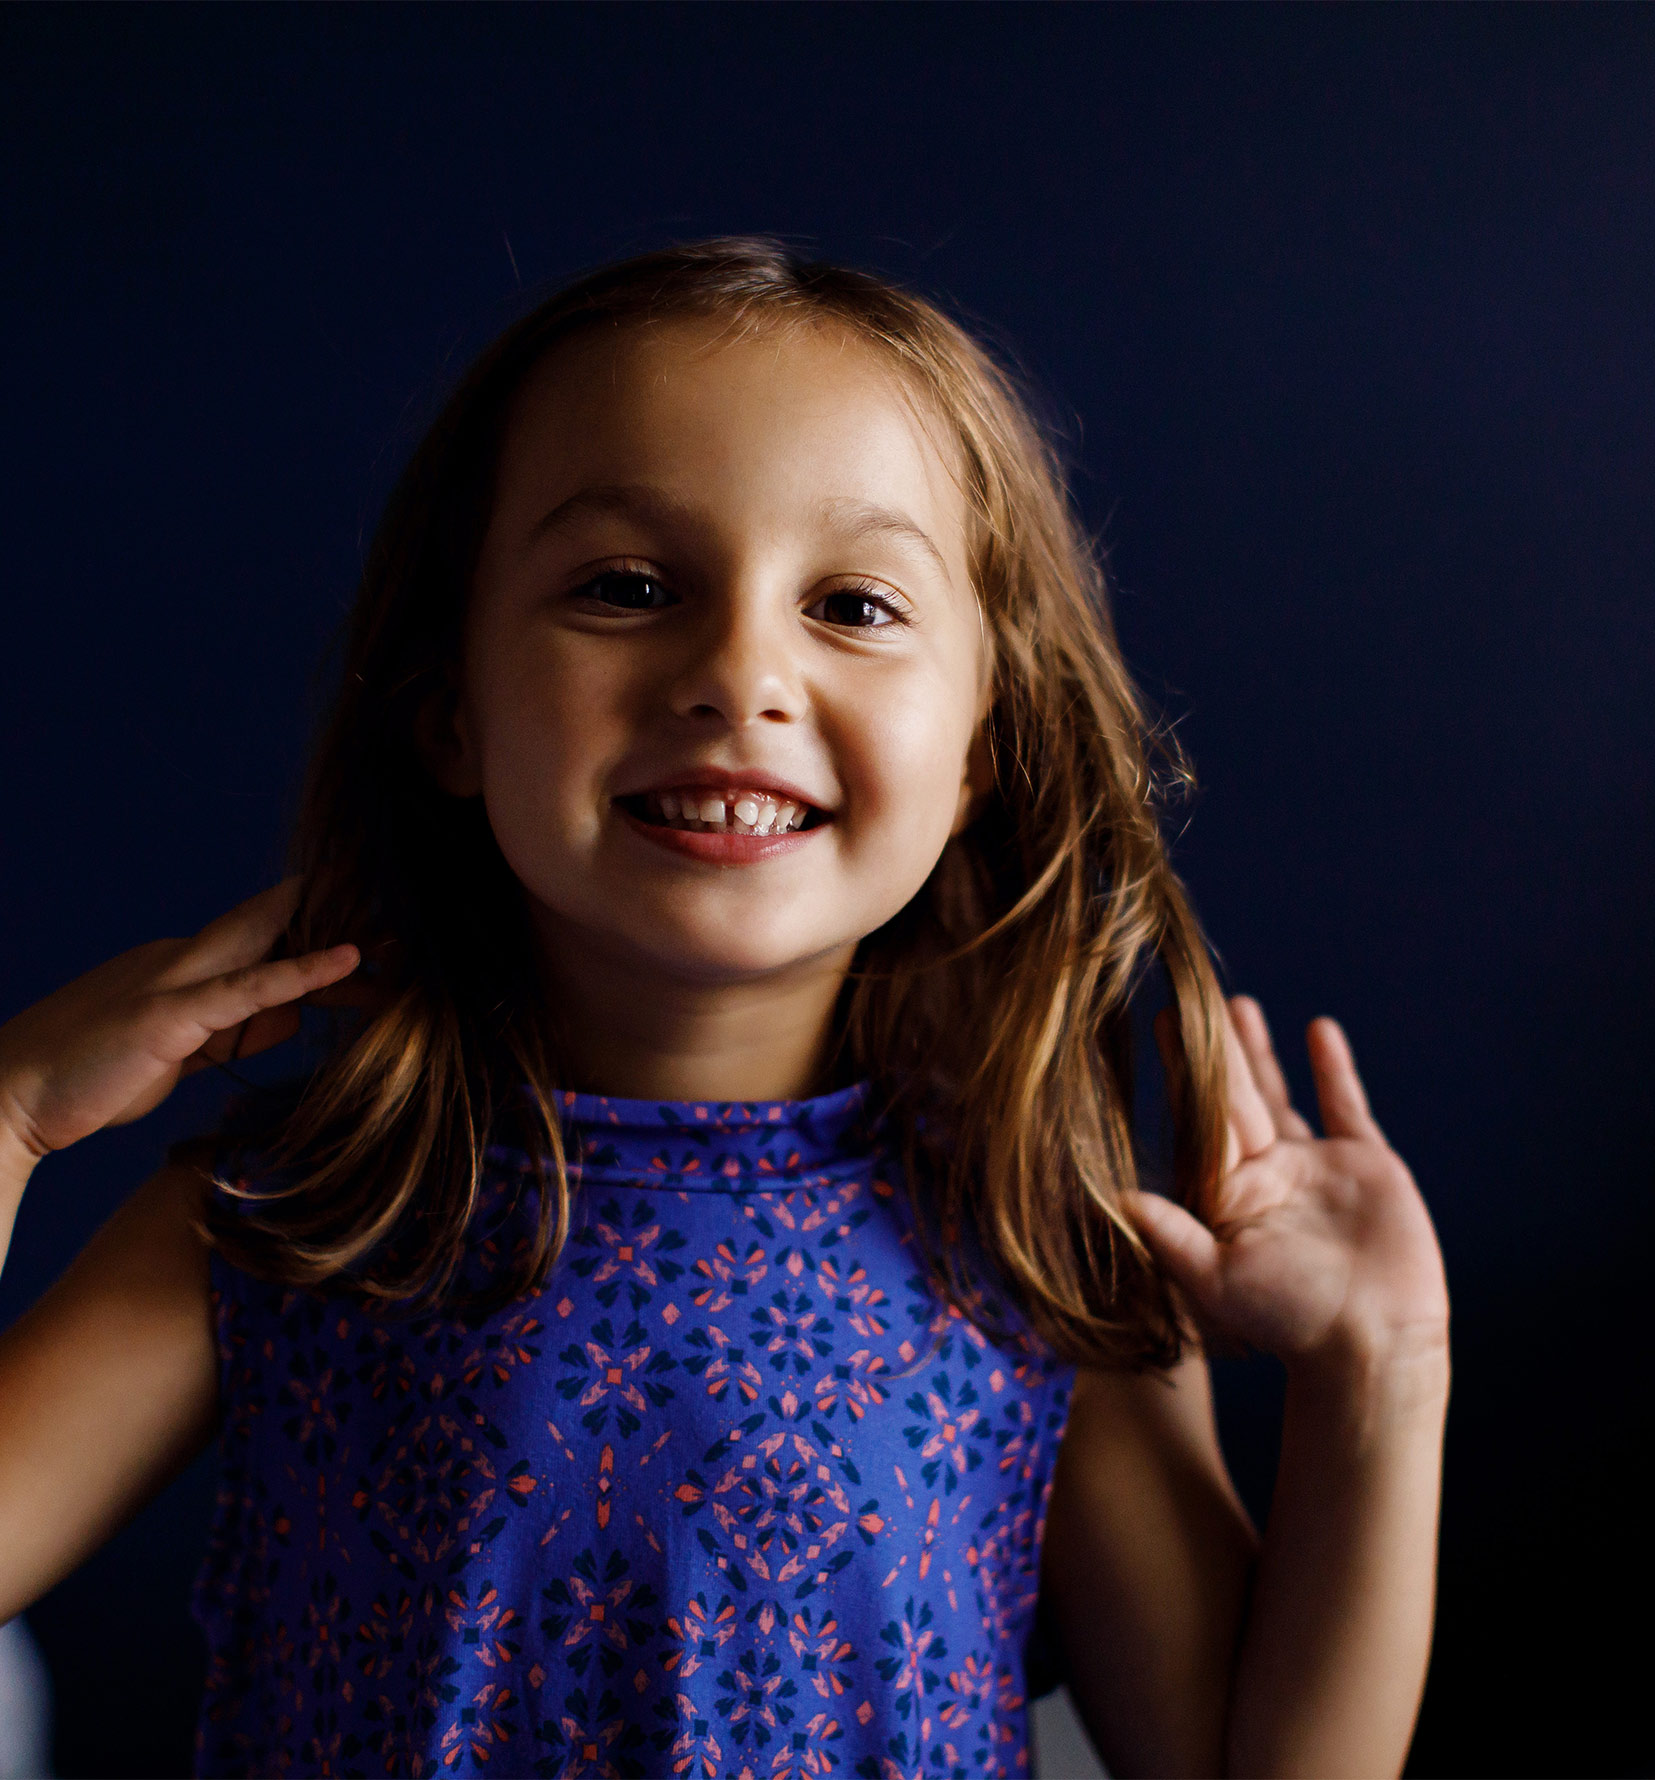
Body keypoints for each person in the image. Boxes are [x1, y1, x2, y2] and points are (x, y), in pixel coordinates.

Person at [0, 240, 1449, 1779]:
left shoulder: (1036, 1259)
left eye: (854, 604)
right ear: (450, 711)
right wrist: (11, 1115)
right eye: (628, 588)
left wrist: (1384, 1372)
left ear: (979, 751)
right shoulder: (287, 1221)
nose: (739, 672)